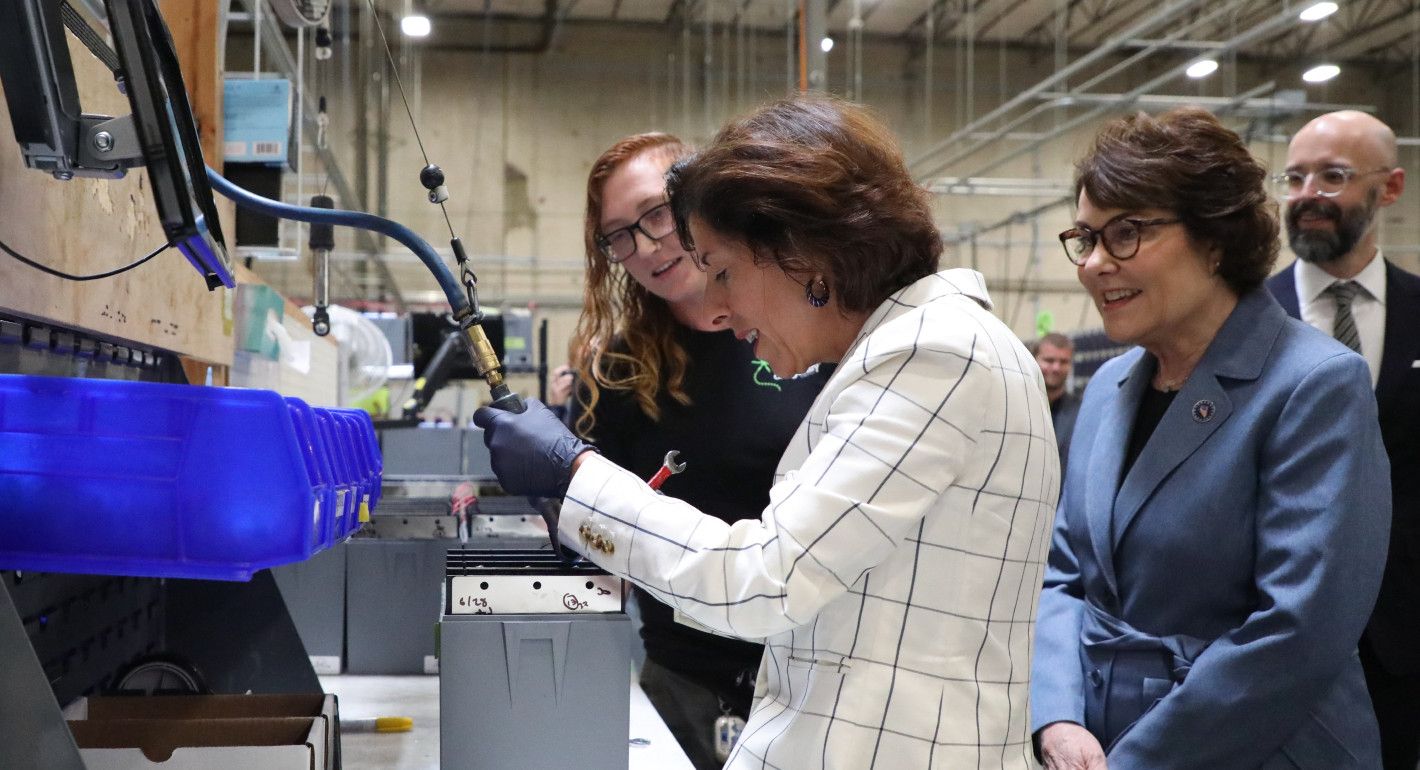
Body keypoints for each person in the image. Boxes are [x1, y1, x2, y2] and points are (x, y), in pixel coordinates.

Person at [474, 96, 1058, 769]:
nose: (717, 307)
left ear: (801, 251)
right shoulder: (901, 354)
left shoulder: (935, 354)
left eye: (722, 272)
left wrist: (575, 474)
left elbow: (764, 582)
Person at [1031, 107, 1391, 770]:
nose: (1095, 264)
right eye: (1086, 239)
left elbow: (1297, 633)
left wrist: (1140, 758)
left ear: (1216, 240)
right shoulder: (1109, 388)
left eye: (1127, 233)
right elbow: (1066, 576)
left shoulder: (1314, 385)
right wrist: (1056, 715)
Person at [566, 132, 829, 768]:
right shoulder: (616, 377)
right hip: (684, 683)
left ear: (699, 199)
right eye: (619, 236)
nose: (648, 246)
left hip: (816, 682)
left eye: (657, 214)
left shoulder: (812, 330)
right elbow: (595, 547)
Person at [1266, 110, 1420, 770]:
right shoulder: (1242, 318)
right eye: (1295, 178)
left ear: (1390, 187)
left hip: (1402, 640)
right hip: (1266, 631)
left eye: (1332, 177)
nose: (1306, 196)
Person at [1032, 332, 1080, 472]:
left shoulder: (1081, 412)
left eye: (1063, 362)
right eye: (1049, 360)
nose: (1056, 368)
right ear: (1034, 360)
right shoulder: (1019, 408)